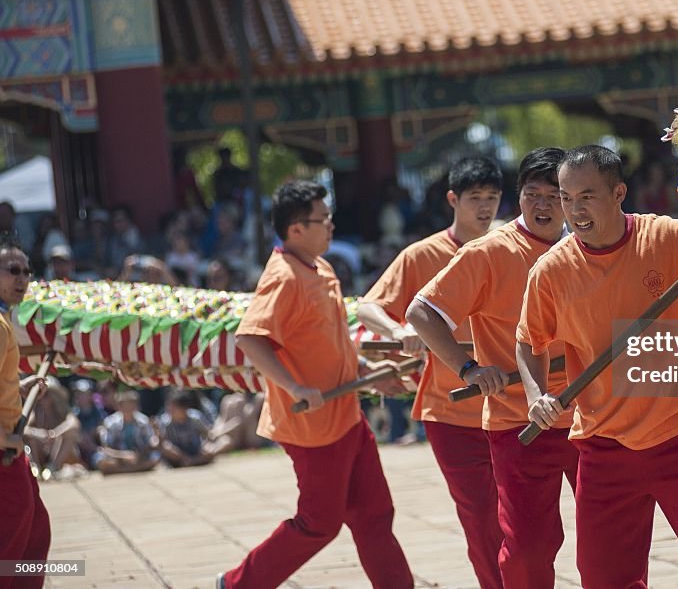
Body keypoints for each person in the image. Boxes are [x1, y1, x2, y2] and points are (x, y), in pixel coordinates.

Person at [516, 146, 678, 588]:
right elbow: (529, 343)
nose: (574, 209)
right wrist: (537, 396)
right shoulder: (551, 272)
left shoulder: (671, 238)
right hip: (604, 445)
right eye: (566, 197)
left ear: (619, 192)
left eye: (586, 196)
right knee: (605, 580)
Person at [218, 180, 412, 589]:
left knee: (374, 513)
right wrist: (293, 387)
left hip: (345, 415)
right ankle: (238, 584)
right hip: (314, 428)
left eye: (329, 218)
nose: (331, 227)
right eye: (322, 220)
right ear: (296, 229)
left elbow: (328, 341)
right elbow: (250, 338)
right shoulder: (284, 276)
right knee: (318, 524)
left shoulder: (319, 265)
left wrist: (364, 371)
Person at [408, 147, 578, 587]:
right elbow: (422, 312)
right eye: (532, 194)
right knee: (527, 548)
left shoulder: (589, 245)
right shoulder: (489, 251)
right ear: (517, 197)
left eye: (553, 196)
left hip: (590, 417)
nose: (543, 205)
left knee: (614, 537)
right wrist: (468, 369)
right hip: (517, 420)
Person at [357, 157, 505, 589]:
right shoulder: (421, 255)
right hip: (451, 410)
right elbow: (369, 305)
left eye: (492, 198)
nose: (484, 207)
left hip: (511, 404)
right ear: (452, 200)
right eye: (475, 198)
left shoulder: (512, 247)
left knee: (523, 517)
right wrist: (399, 329)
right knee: (479, 517)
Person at [0, 239, 51, 587]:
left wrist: (19, 384)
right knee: (13, 542)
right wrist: (3, 438)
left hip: (9, 447)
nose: (23, 278)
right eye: (13, 270)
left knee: (33, 531)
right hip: (3, 449)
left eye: (27, 271)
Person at [93, 391, 161, 475]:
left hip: (139, 457)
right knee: (100, 460)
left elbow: (150, 443)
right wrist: (123, 456)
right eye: (126, 406)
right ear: (119, 406)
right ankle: (135, 469)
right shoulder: (110, 423)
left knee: (155, 457)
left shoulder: (143, 421)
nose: (129, 408)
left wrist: (138, 455)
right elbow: (105, 448)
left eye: (132, 405)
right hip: (118, 458)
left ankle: (123, 470)